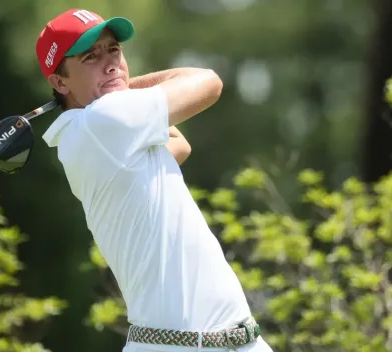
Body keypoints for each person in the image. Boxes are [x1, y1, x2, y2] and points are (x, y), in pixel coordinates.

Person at [36, 8, 274, 352]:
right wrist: (124, 86)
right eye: (90, 56)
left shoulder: (98, 128)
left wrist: (115, 83)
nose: (110, 62)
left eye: (114, 50)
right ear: (59, 82)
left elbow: (178, 145)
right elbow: (209, 82)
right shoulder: (102, 120)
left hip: (238, 341)